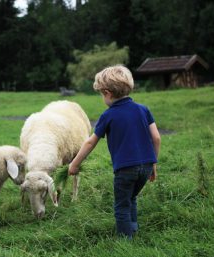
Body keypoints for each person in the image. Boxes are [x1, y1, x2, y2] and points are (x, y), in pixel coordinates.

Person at [68, 65, 161, 239]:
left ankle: (126, 242)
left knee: (121, 206)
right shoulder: (143, 109)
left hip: (126, 169)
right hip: (146, 165)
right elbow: (156, 138)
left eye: (101, 95)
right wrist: (153, 162)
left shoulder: (108, 115)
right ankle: (133, 230)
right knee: (131, 197)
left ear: (107, 93)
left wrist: (74, 164)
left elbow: (90, 142)